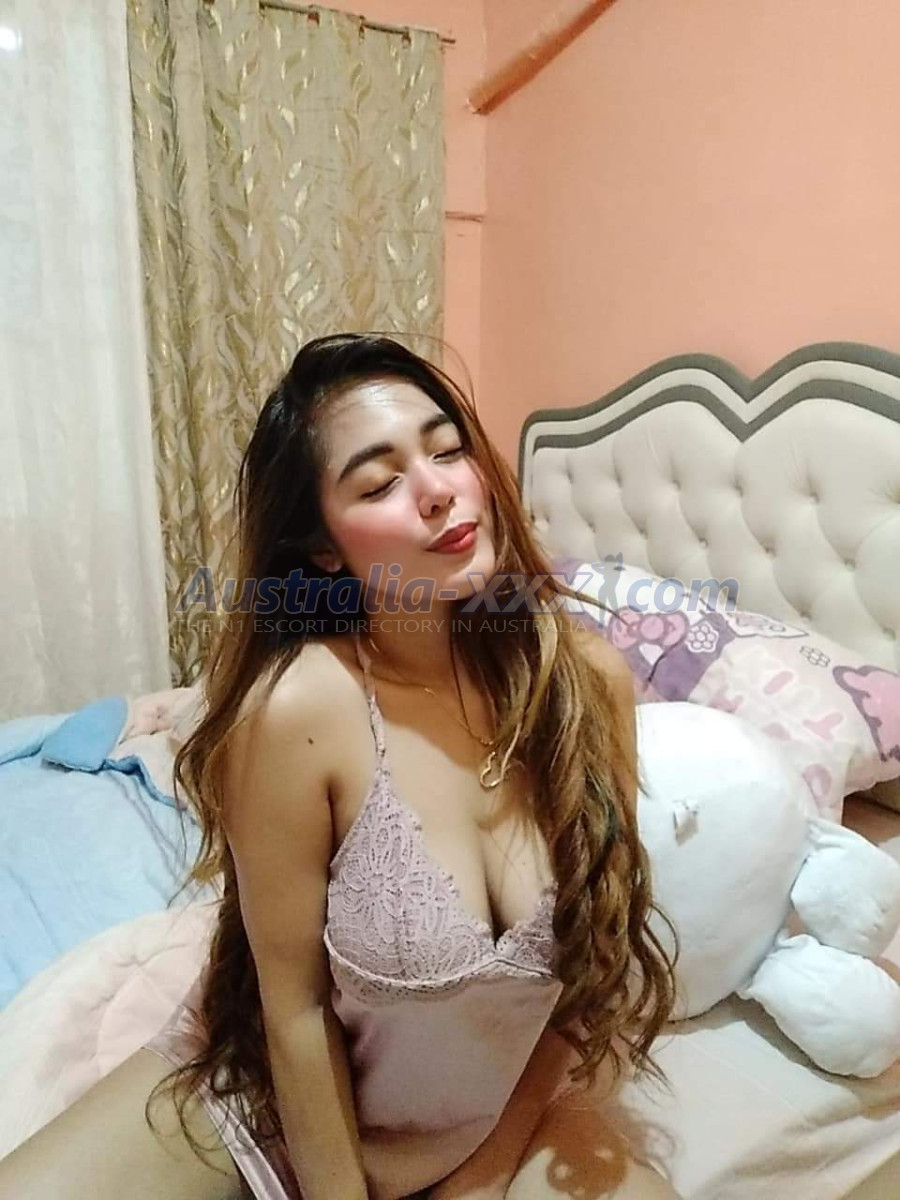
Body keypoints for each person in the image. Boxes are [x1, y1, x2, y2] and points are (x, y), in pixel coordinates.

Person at [0, 333, 682, 1199]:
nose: (437, 490)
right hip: (281, 1106)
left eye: (448, 450)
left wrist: (481, 1172)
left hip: (503, 1114)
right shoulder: (299, 712)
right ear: (325, 548)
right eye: (380, 482)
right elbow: (294, 1010)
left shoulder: (585, 685)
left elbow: (589, 973)